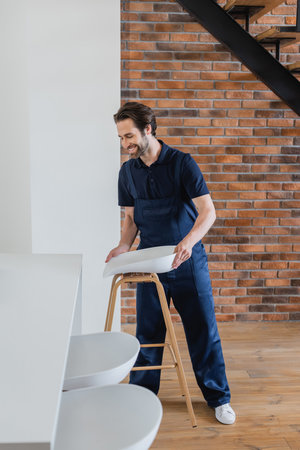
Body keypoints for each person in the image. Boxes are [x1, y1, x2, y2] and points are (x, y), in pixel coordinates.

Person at [106, 102, 236, 425]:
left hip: (188, 262)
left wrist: (188, 243)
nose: (125, 144)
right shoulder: (128, 172)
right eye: (121, 138)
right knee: (147, 334)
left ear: (148, 129)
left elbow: (208, 212)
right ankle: (141, 396)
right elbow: (131, 219)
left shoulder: (182, 164)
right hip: (150, 264)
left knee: (203, 331)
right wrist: (123, 246)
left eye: (130, 136)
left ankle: (219, 398)